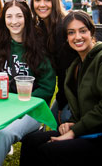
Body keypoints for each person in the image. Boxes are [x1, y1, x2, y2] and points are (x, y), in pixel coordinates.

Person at [0, 0, 56, 166]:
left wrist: (21, 104)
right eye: (9, 17)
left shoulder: (38, 47)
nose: (14, 22)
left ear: (26, 18)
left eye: (19, 16)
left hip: (31, 109)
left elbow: (47, 86)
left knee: (4, 133)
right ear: (3, 20)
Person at [20, 11, 102, 166]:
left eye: (82, 30)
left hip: (97, 134)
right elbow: (82, 106)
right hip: (86, 129)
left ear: (91, 32)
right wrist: (72, 123)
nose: (77, 37)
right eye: (71, 32)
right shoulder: (75, 66)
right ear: (66, 37)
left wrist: (74, 131)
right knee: (32, 140)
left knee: (48, 151)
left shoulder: (100, 58)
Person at [30, 0, 78, 126]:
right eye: (37, 0)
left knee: (61, 120)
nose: (42, 4)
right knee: (49, 120)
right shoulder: (41, 27)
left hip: (78, 90)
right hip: (65, 89)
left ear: (55, 2)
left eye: (47, 0)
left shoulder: (63, 27)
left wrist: (62, 102)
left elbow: (67, 73)